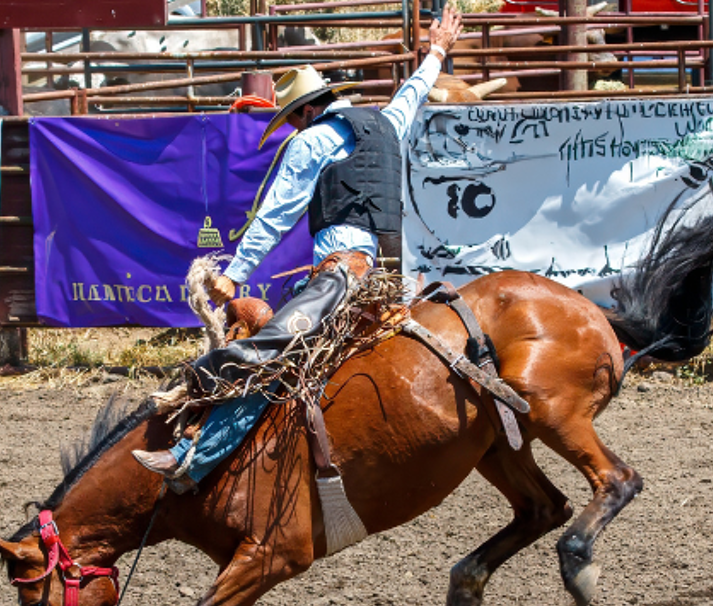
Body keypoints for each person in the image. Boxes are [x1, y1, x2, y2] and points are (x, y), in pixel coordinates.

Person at [133, 1, 465, 488]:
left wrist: (235, 273)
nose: (291, 128)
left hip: (342, 277)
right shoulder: (387, 124)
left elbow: (276, 214)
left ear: (309, 110)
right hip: (390, 284)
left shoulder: (312, 141)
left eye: (292, 118)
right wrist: (436, 50)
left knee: (270, 353)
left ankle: (192, 456)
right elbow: (411, 93)